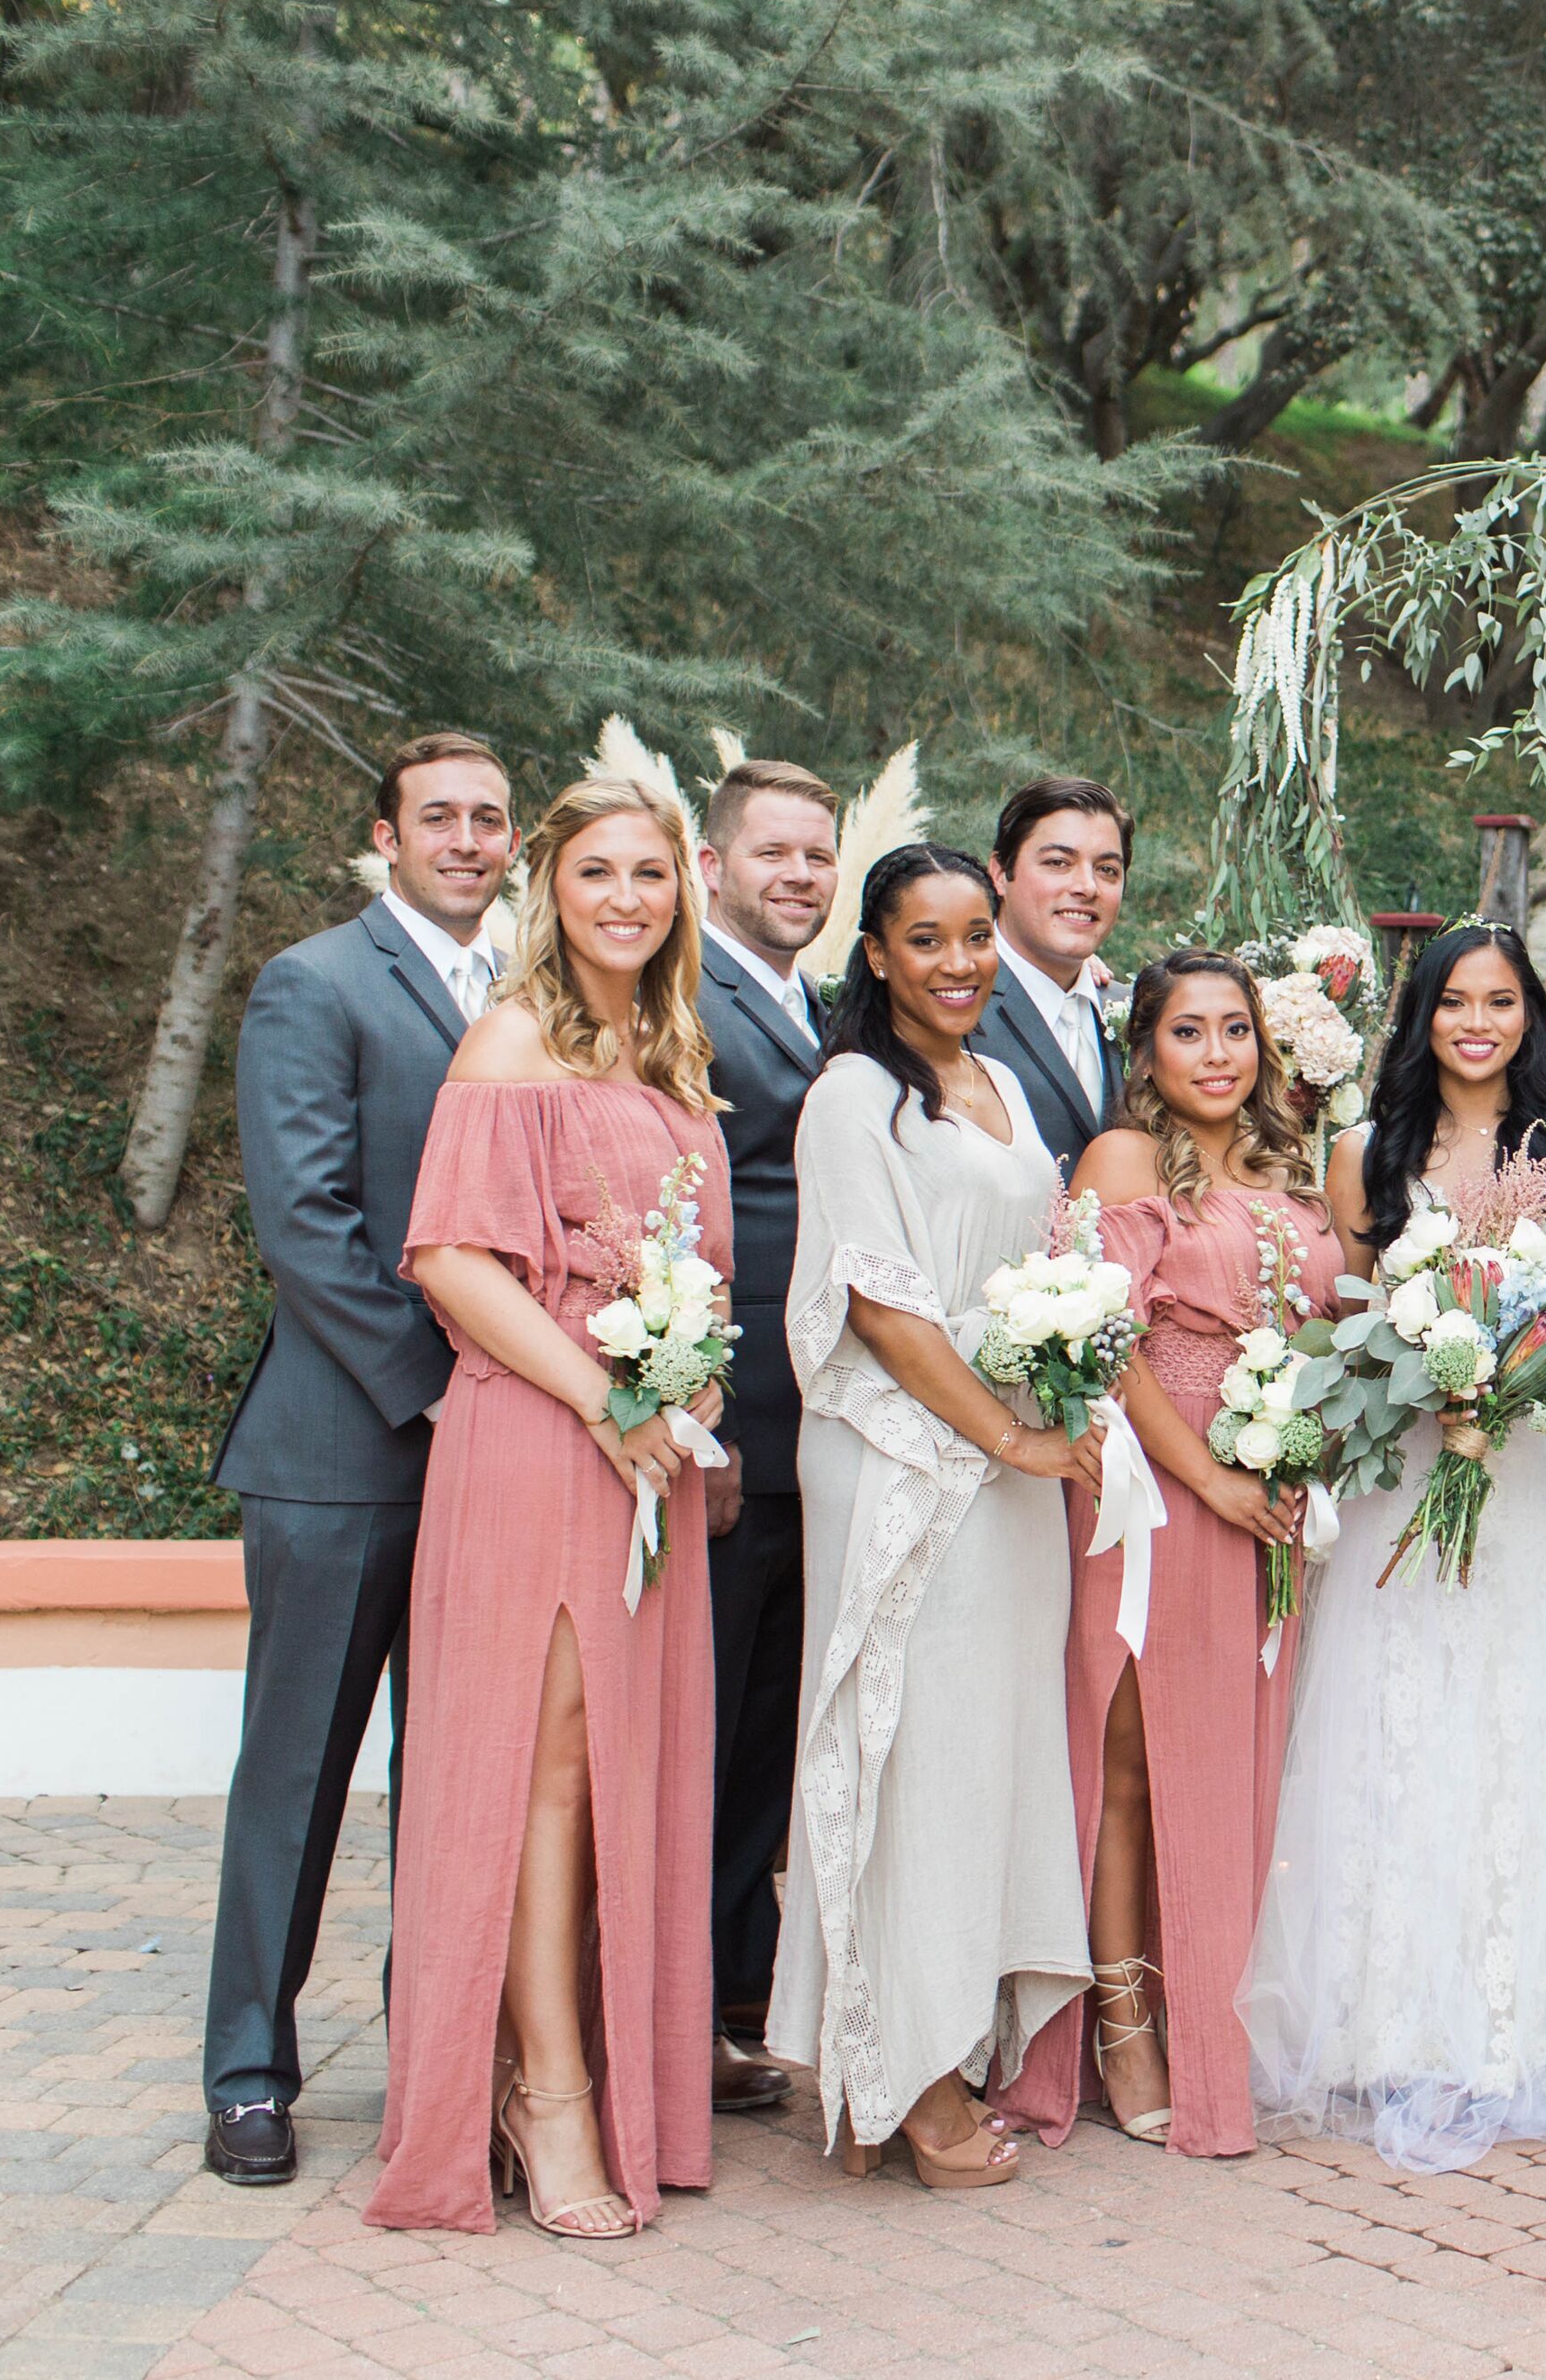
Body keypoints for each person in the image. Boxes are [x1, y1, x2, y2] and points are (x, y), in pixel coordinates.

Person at [1237, 922, 1546, 2174]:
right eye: (1456, 1001)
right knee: (1404, 1725)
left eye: (1501, 1002)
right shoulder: (1362, 1155)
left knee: (1527, 1722)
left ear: (1530, 1017)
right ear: (1423, 1015)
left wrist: (1510, 1380)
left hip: (1535, 1484)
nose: (1478, 1023)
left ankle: (1535, 2018)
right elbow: (1344, 1325)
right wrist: (1428, 1387)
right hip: (1410, 1480)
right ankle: (1391, 2015)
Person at [370, 775, 732, 2237]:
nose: (627, 899)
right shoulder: (514, 1038)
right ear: (551, 886)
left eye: (651, 874)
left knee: (623, 1773)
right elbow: (454, 1259)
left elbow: (692, 1273)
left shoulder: (674, 1055)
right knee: (549, 1774)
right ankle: (545, 2097)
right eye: (599, 874)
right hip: (540, 1438)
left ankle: (598, 2069)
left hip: (647, 1450)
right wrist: (609, 1399)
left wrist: (690, 1392)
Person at [768, 843, 1103, 2190]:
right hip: (912, 1461)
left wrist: (1060, 1379)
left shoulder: (1006, 1083)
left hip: (1011, 1472)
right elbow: (886, 1307)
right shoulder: (853, 1096)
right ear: (880, 954)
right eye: (927, 940)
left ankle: (954, 2036)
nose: (960, 963)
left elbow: (1039, 1260)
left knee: (987, 1762)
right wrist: (1009, 1434)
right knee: (911, 1756)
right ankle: (894, 2068)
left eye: (976, 936)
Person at [205, 731, 513, 2187]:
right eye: (438, 817)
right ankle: (252, 2071)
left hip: (498, 1462)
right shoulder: (313, 984)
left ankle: (432, 2059)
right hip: (343, 1456)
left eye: (489, 819)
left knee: (458, 1774)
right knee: (300, 1770)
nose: (466, 838)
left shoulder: (526, 999)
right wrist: (444, 1394)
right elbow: (308, 1229)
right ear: (384, 838)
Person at [995, 950, 1347, 2159]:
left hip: (1267, 1483)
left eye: (1236, 1030)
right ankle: (1124, 2016)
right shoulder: (1123, 1163)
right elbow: (1102, 1341)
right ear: (1145, 1048)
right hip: (1154, 1489)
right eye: (1188, 1031)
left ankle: (1216, 2014)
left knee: (1234, 1757)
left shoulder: (1286, 1167)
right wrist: (1208, 1479)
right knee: (1132, 1754)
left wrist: (1296, 1455)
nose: (1216, 1053)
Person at [690, 757, 837, 2117]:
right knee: (711, 1723)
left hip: (830, 1435)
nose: (798, 875)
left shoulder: (831, 1008)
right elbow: (683, 1221)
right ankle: (680, 2003)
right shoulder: (689, 1001)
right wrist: (702, 1420)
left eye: (817, 855)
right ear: (715, 861)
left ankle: (739, 1989)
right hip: (739, 1425)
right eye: (774, 852)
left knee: (774, 1738)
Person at [974, 777, 1133, 1179]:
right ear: (999, 873)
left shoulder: (1139, 1013)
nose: (1086, 886)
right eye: (1058, 863)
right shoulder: (953, 1004)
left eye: (1107, 870)